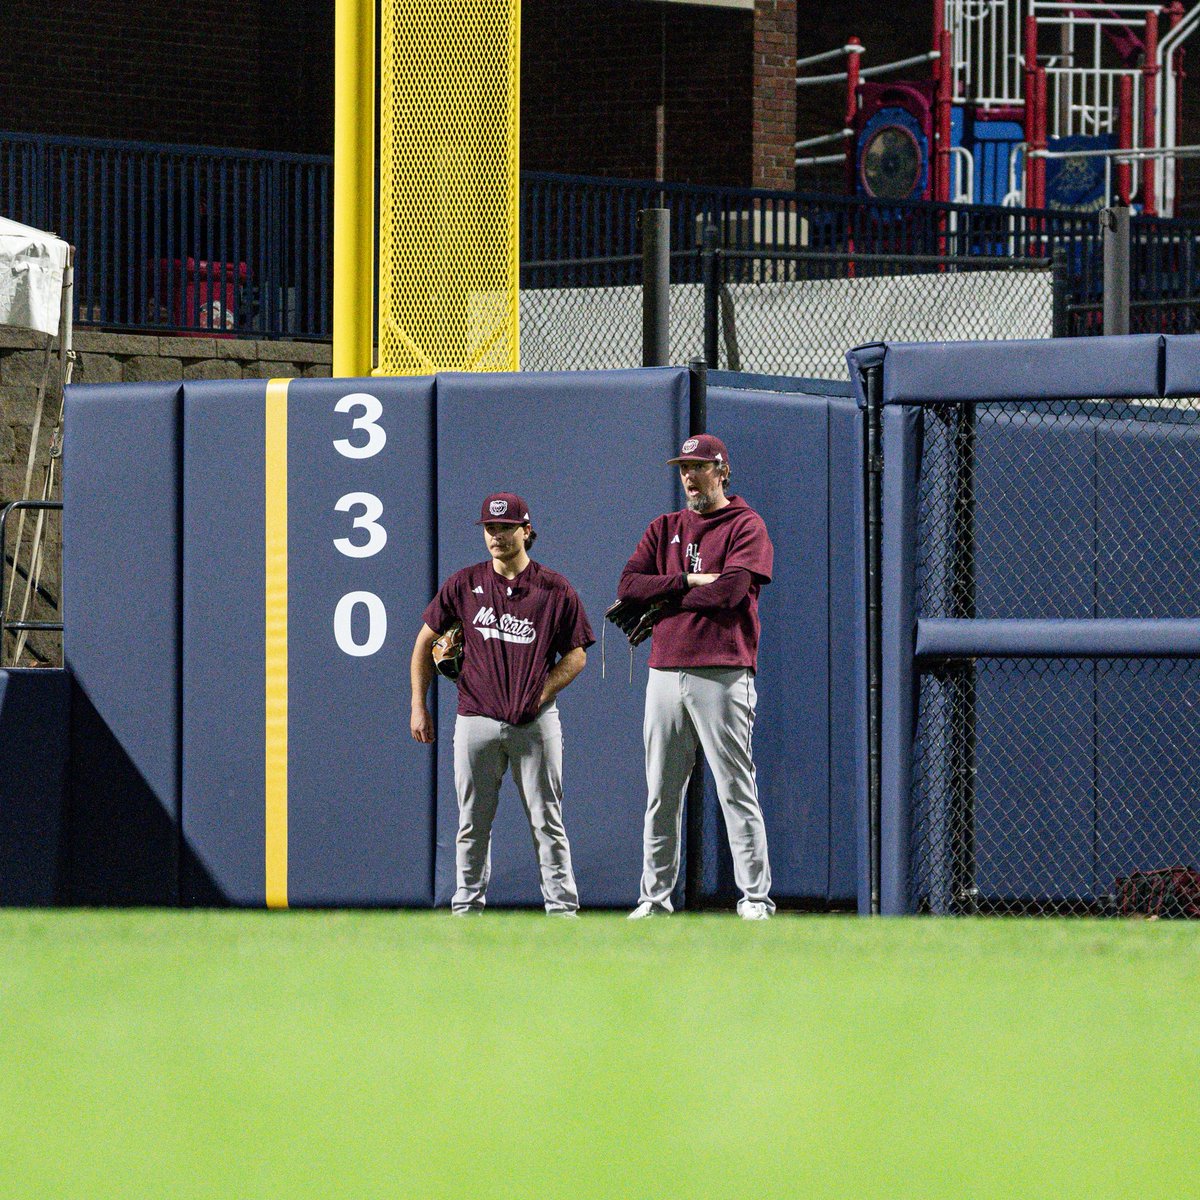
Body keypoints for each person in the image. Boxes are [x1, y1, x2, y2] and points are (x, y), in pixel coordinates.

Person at [411, 493, 594, 915]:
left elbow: (578, 653)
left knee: (547, 821)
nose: (496, 536)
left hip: (535, 724)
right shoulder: (464, 583)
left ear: (526, 531)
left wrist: (541, 692)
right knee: (472, 823)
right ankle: (466, 908)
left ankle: (563, 910)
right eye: (490, 529)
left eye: (505, 528)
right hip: (475, 718)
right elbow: (423, 642)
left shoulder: (554, 588)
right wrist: (419, 706)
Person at [617, 435, 775, 920]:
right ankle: (655, 899)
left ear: (721, 470)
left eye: (698, 468)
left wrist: (664, 600)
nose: (689, 476)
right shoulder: (664, 526)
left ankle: (754, 899)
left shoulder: (746, 525)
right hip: (664, 671)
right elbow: (628, 586)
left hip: (723, 671)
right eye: (683, 468)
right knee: (661, 793)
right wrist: (685, 582)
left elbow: (730, 593)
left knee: (735, 788)